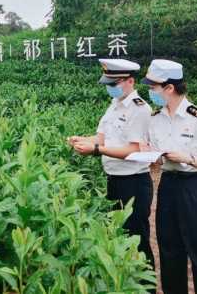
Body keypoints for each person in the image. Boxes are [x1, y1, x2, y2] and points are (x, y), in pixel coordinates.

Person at [142, 59, 197, 294]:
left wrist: (187, 158)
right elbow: (158, 159)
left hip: (194, 188)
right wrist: (153, 157)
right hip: (168, 186)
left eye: (153, 87)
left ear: (169, 88)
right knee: (169, 249)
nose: (150, 92)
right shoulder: (155, 120)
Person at [68, 58, 154, 269]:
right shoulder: (114, 106)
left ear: (130, 82)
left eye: (114, 84)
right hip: (114, 180)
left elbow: (134, 150)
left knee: (137, 241)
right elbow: (102, 138)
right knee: (118, 236)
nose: (110, 88)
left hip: (134, 183)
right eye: (108, 84)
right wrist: (82, 140)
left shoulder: (140, 109)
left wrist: (96, 150)